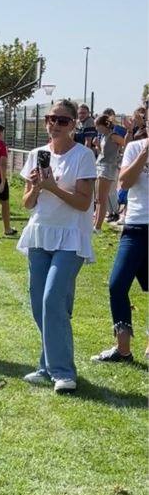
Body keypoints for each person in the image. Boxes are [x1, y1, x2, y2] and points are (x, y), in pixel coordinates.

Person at [17, 99, 96, 392]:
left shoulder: (83, 156)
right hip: (40, 234)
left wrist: (52, 187)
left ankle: (63, 371)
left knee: (53, 300)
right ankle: (46, 364)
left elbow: (83, 202)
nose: (55, 124)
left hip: (70, 236)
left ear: (74, 124)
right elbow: (26, 204)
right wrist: (38, 186)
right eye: (51, 118)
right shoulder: (36, 154)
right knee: (41, 305)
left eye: (62, 120)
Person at [91, 122, 148, 363]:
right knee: (117, 285)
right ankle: (123, 349)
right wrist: (145, 154)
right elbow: (124, 182)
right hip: (135, 227)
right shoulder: (135, 148)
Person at [93, 114, 126, 231]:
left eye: (98, 126)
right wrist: (97, 146)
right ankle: (95, 223)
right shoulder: (103, 136)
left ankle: (98, 227)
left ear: (104, 125)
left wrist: (120, 156)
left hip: (108, 168)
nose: (96, 128)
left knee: (102, 199)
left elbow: (125, 144)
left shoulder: (113, 136)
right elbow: (104, 152)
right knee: (98, 198)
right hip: (100, 165)